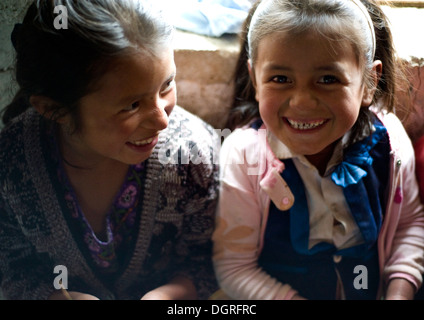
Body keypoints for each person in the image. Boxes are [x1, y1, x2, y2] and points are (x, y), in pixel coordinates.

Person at [0, 0, 220, 300]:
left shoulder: (193, 158)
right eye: (131, 105)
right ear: (54, 109)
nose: (162, 120)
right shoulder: (11, 166)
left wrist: (169, 296)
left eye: (166, 85)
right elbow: (13, 268)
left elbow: (208, 259)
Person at [212, 0, 424, 300]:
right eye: (280, 79)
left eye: (328, 79)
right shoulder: (243, 155)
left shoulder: (391, 141)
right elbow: (234, 267)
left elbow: (409, 225)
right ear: (255, 79)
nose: (302, 102)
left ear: (368, 83)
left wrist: (399, 291)